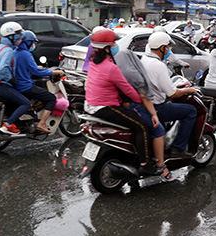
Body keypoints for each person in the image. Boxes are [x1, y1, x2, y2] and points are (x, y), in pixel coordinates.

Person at [85, 29, 171, 180]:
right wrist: (141, 101)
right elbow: (128, 90)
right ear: (106, 48)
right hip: (106, 107)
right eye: (113, 44)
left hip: (91, 105)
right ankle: (144, 165)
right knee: (142, 127)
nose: (115, 46)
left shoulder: (94, 63)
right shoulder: (111, 68)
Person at [141, 32, 197, 156]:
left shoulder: (144, 60)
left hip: (145, 105)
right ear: (162, 48)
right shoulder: (158, 65)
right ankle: (178, 147)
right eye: (167, 47)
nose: (168, 50)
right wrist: (188, 90)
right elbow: (172, 93)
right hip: (157, 107)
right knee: (191, 111)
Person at [14, 31, 64, 133]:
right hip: (25, 86)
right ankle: (41, 124)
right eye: (32, 43)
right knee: (51, 98)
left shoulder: (15, 52)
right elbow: (37, 72)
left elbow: (26, 67)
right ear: (28, 43)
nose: (33, 45)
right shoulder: (26, 54)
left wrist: (37, 67)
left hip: (16, 84)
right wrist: (55, 72)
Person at [0, 22, 31, 135]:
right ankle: (8, 125)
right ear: (11, 36)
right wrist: (10, 79)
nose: (20, 38)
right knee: (26, 103)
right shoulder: (8, 50)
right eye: (18, 35)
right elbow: (3, 69)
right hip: (1, 85)